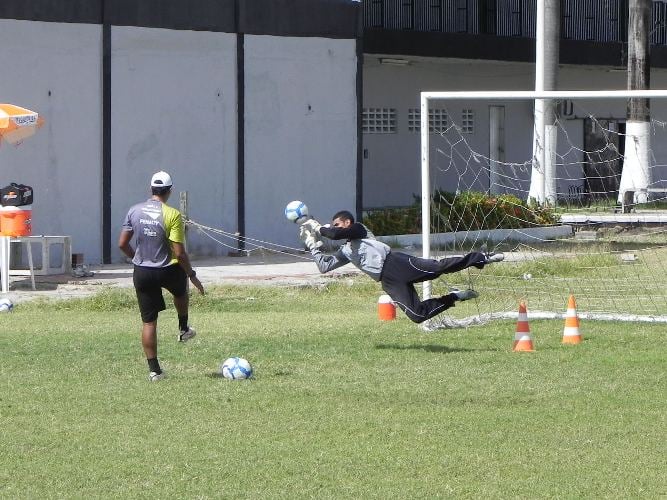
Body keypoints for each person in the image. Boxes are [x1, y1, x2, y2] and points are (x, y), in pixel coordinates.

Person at [299, 210, 503, 324]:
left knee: (438, 267)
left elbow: (334, 234)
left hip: (396, 263)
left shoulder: (358, 229)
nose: (334, 227)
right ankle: (455, 297)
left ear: (347, 222)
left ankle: (480, 258)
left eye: (337, 223)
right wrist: (312, 245)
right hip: (388, 281)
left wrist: (316, 226)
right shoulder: (346, 250)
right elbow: (324, 267)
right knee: (417, 315)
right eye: (332, 225)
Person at [118, 171, 205, 381]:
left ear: (151, 189)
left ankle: (155, 371)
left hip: (142, 271)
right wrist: (191, 274)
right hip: (168, 270)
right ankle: (183, 327)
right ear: (170, 191)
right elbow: (179, 252)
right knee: (180, 288)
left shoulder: (134, 210)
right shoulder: (172, 214)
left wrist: (136, 259)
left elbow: (122, 244)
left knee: (149, 323)